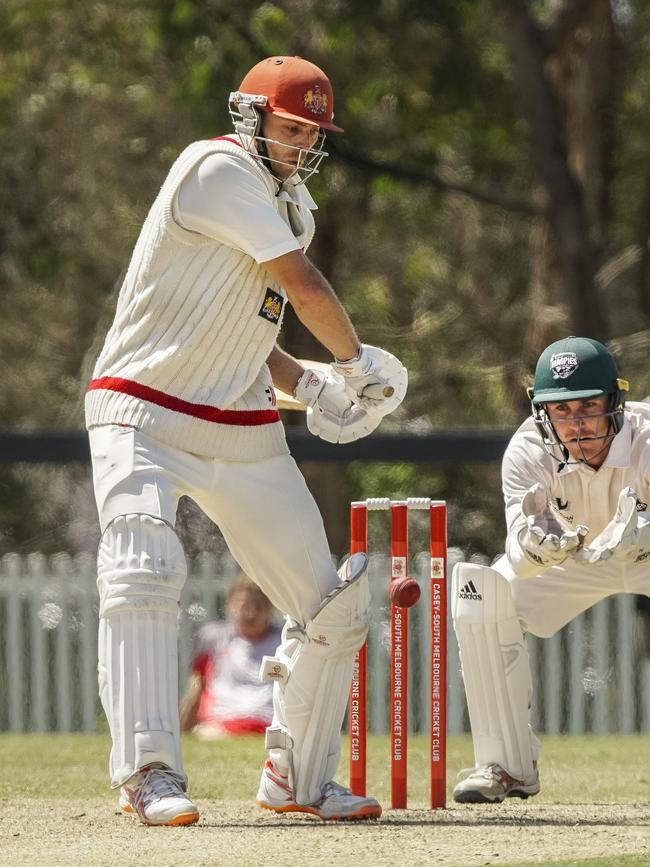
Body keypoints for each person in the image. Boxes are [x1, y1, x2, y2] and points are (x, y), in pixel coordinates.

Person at [86, 55, 406, 826]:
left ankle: (294, 778)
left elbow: (248, 331)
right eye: (290, 127)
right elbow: (303, 288)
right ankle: (148, 773)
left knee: (331, 603)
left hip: (237, 418)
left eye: (312, 132)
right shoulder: (214, 169)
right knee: (144, 563)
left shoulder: (294, 206)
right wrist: (355, 364)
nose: (300, 143)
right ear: (252, 116)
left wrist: (313, 385)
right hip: (142, 408)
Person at [451, 335, 650, 804]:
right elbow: (517, 549)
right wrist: (537, 550)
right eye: (561, 411)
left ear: (615, 402)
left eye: (588, 406)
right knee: (482, 597)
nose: (576, 424)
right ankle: (506, 765)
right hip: (575, 560)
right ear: (543, 411)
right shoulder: (527, 450)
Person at [179, 573, 282, 738]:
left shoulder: (282, 643)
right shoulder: (214, 638)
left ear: (270, 608)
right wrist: (183, 727)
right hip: (222, 723)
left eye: (258, 606)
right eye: (244, 605)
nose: (250, 613)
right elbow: (196, 686)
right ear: (231, 605)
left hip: (267, 724)